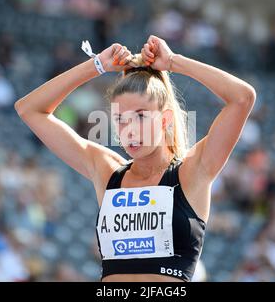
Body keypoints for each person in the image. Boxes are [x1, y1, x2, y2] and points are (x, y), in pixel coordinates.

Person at [14, 35, 256, 282]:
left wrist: (173, 61)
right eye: (120, 119)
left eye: (141, 116)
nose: (129, 130)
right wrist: (96, 65)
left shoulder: (192, 172)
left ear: (165, 120)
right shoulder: (108, 171)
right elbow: (29, 109)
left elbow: (242, 98)